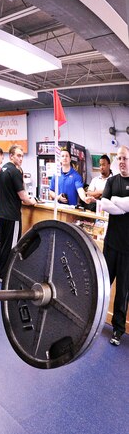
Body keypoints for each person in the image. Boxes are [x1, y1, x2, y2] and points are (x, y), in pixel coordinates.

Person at [0, 145, 36, 282]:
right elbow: (23, 196)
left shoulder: (3, 169)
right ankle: (3, 275)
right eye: (18, 155)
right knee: (12, 246)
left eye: (22, 156)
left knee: (3, 243)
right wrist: (33, 201)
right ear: (11, 156)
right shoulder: (14, 172)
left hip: (2, 213)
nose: (21, 158)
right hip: (12, 215)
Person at [97, 146, 129, 346]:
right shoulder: (111, 180)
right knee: (103, 286)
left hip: (128, 250)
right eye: (119, 158)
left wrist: (114, 203)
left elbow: (112, 204)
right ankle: (96, 320)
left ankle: (118, 330)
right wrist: (122, 205)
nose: (122, 161)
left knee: (122, 292)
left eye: (125, 158)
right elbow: (104, 204)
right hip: (110, 245)